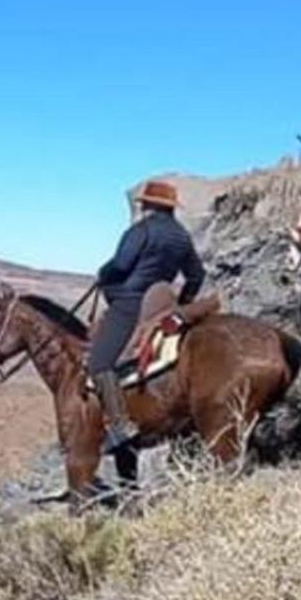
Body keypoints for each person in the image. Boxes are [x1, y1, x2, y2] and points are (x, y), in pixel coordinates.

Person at [90, 180, 206, 453]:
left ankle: (121, 423)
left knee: (98, 362)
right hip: (162, 304)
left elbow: (121, 265)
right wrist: (182, 303)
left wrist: (103, 273)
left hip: (130, 304)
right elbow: (197, 275)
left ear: (149, 205)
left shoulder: (140, 231)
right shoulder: (182, 237)